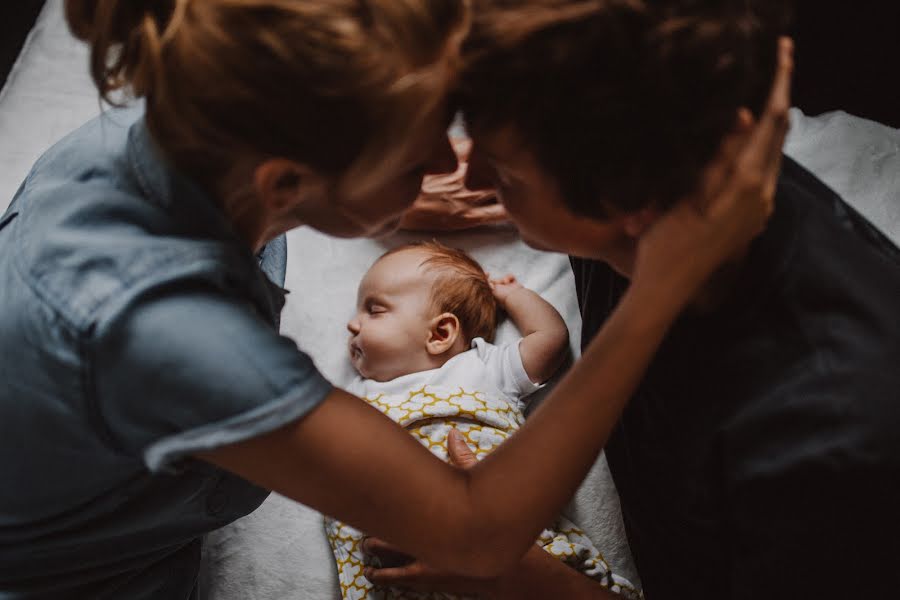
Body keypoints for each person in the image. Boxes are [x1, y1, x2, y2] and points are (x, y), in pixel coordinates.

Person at [0, 0, 788, 598]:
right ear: (287, 178)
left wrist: (373, 196)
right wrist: (661, 285)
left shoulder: (187, 129)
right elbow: (477, 535)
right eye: (418, 153)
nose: (453, 163)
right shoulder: (170, 334)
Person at [364, 1, 900, 599]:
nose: (474, 181)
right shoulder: (659, 178)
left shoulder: (825, 435)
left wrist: (530, 581)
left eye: (505, 174)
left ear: (628, 205)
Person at [326, 241, 639, 599]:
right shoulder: (357, 395)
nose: (352, 324)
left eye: (374, 310)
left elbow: (549, 340)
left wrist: (511, 294)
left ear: (440, 333)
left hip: (503, 537)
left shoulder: (482, 367)